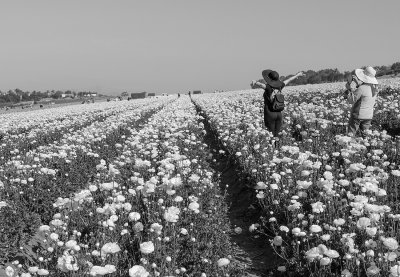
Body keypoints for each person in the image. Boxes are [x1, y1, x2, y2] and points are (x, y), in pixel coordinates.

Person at [251, 70, 304, 137]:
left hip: (269, 112)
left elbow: (261, 85)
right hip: (279, 112)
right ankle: (277, 146)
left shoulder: (268, 87)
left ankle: (273, 147)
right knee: (277, 134)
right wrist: (297, 75)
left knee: (270, 133)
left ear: (269, 79)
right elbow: (289, 80)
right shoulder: (280, 85)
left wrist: (255, 81)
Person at [344, 66, 379, 136]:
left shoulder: (362, 88)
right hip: (368, 115)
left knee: (351, 134)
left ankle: (349, 144)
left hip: (358, 115)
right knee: (365, 134)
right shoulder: (375, 89)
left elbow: (351, 100)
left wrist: (349, 89)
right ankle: (368, 146)